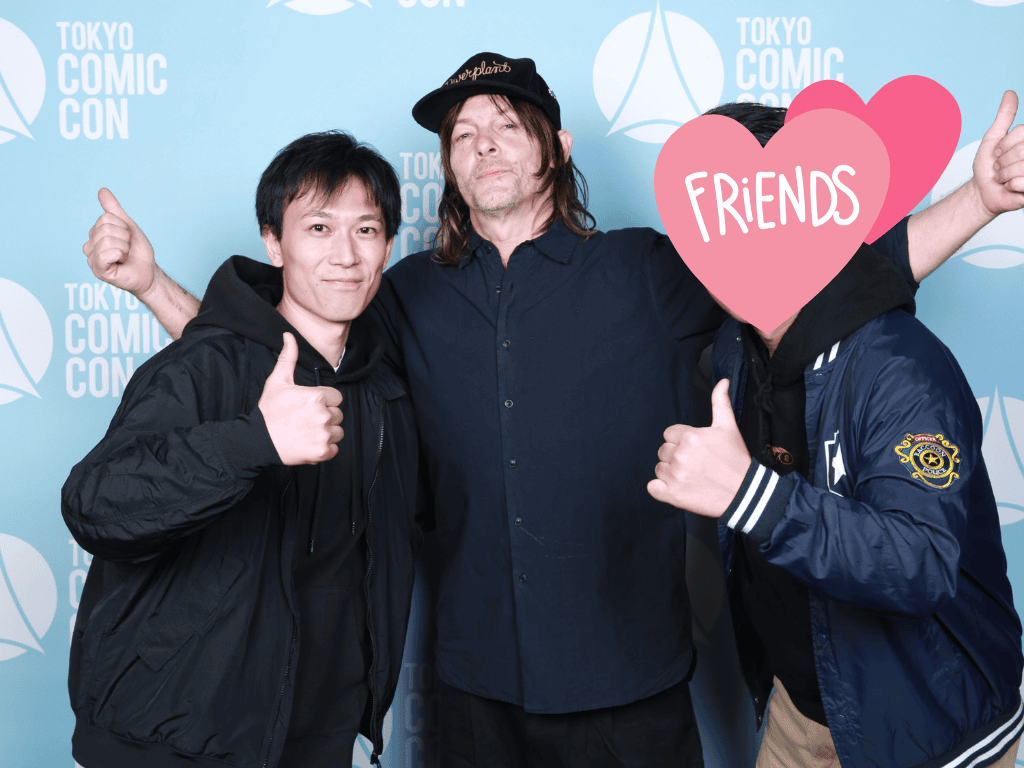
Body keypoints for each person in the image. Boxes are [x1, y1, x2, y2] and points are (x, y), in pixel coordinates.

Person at [82, 53, 1024, 767]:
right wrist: (152, 286)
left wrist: (977, 203)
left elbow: (820, 283)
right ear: (449, 170)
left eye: (506, 124)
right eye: (462, 136)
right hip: (475, 685)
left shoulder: (647, 268)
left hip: (630, 681)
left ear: (558, 148)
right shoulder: (405, 292)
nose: (482, 143)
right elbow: (287, 360)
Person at [648, 102, 1024, 768]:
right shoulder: (738, 344)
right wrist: (978, 198)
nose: (739, 238)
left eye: (766, 211)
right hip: (802, 712)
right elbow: (874, 270)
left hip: (930, 730)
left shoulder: (902, 369)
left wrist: (748, 495)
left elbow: (921, 563)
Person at [63, 131, 425, 768]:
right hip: (172, 739)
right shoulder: (204, 366)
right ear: (273, 243)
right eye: (318, 227)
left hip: (313, 736)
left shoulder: (381, 389)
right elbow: (94, 504)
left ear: (388, 247)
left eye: (366, 230)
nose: (345, 254)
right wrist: (254, 440)